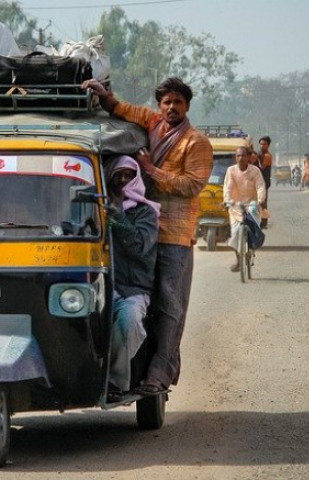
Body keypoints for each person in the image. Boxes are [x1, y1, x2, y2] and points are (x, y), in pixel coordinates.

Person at [82, 76, 212, 394]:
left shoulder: (196, 142)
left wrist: (150, 169)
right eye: (166, 102)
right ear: (159, 105)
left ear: (187, 106)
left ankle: (159, 374)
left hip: (173, 234)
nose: (171, 107)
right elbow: (123, 109)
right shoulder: (152, 122)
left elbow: (192, 185)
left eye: (177, 102)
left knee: (168, 305)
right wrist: (104, 96)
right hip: (140, 222)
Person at [105, 155, 160, 402]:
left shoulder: (145, 213)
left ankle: (113, 381)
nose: (124, 181)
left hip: (133, 290)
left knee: (130, 322)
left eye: (129, 175)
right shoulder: (98, 209)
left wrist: (118, 217)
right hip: (102, 287)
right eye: (119, 176)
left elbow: (138, 246)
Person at [223, 147, 267, 271]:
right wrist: (227, 201)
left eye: (243, 155)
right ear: (235, 157)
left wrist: (260, 199)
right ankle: (238, 261)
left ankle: (252, 248)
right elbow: (228, 188)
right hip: (236, 206)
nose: (241, 158)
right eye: (238, 156)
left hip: (252, 205)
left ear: (248, 157)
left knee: (253, 224)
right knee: (235, 233)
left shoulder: (255, 171)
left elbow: (260, 186)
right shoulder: (231, 171)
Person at [258, 136, 273, 228]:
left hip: (264, 182)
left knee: (263, 203)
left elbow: (261, 168)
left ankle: (264, 222)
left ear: (268, 145)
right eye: (261, 144)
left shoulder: (267, 156)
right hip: (259, 181)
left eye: (264, 144)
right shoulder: (260, 154)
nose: (262, 146)